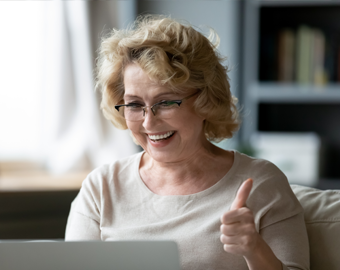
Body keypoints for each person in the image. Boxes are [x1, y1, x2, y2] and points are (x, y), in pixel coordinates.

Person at [65, 15, 310, 270]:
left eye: (166, 102)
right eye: (135, 104)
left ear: (205, 100)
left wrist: (255, 249)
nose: (148, 123)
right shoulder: (101, 188)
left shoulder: (261, 182)